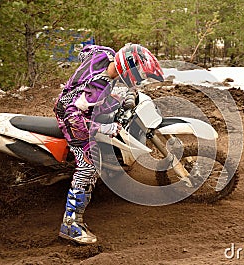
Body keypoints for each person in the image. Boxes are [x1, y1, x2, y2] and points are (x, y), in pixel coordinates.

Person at [54, 43, 164, 244]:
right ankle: (70, 224)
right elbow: (73, 117)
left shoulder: (104, 53)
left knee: (117, 106)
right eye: (138, 73)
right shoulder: (95, 90)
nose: (140, 77)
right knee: (88, 165)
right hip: (71, 116)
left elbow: (85, 50)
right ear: (128, 69)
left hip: (85, 103)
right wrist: (102, 128)